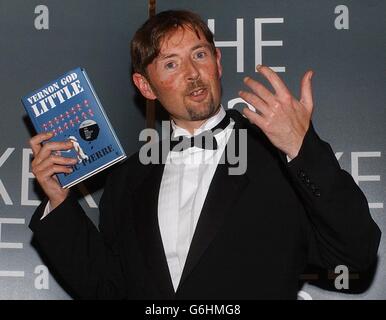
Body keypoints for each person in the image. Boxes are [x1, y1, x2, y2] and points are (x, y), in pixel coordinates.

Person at [28, 10, 381, 300]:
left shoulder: (279, 157)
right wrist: (59, 200)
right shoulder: (128, 178)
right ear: (145, 86)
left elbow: (354, 256)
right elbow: (109, 289)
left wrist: (301, 149)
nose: (192, 74)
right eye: (170, 64)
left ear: (218, 61)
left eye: (199, 54)